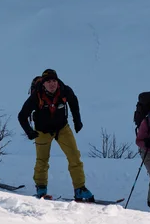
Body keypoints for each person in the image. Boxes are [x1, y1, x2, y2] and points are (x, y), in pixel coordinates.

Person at [17, 69, 94, 201]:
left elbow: (74, 103)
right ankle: (41, 188)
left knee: (74, 156)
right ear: (43, 84)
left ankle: (80, 188)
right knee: (42, 160)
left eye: (54, 81)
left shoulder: (65, 90)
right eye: (48, 81)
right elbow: (22, 116)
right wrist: (29, 132)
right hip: (42, 131)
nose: (52, 84)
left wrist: (77, 121)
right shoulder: (36, 96)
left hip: (62, 128)